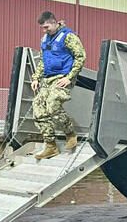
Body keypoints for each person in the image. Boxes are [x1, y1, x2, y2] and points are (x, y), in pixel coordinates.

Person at [30, 11, 86, 160]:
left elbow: (80, 56)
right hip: (48, 80)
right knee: (38, 108)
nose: (44, 30)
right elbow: (42, 60)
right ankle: (51, 146)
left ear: (54, 22)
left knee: (52, 104)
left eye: (46, 27)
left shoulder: (68, 36)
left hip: (63, 77)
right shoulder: (45, 39)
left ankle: (70, 134)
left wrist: (70, 77)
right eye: (42, 28)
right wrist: (36, 78)